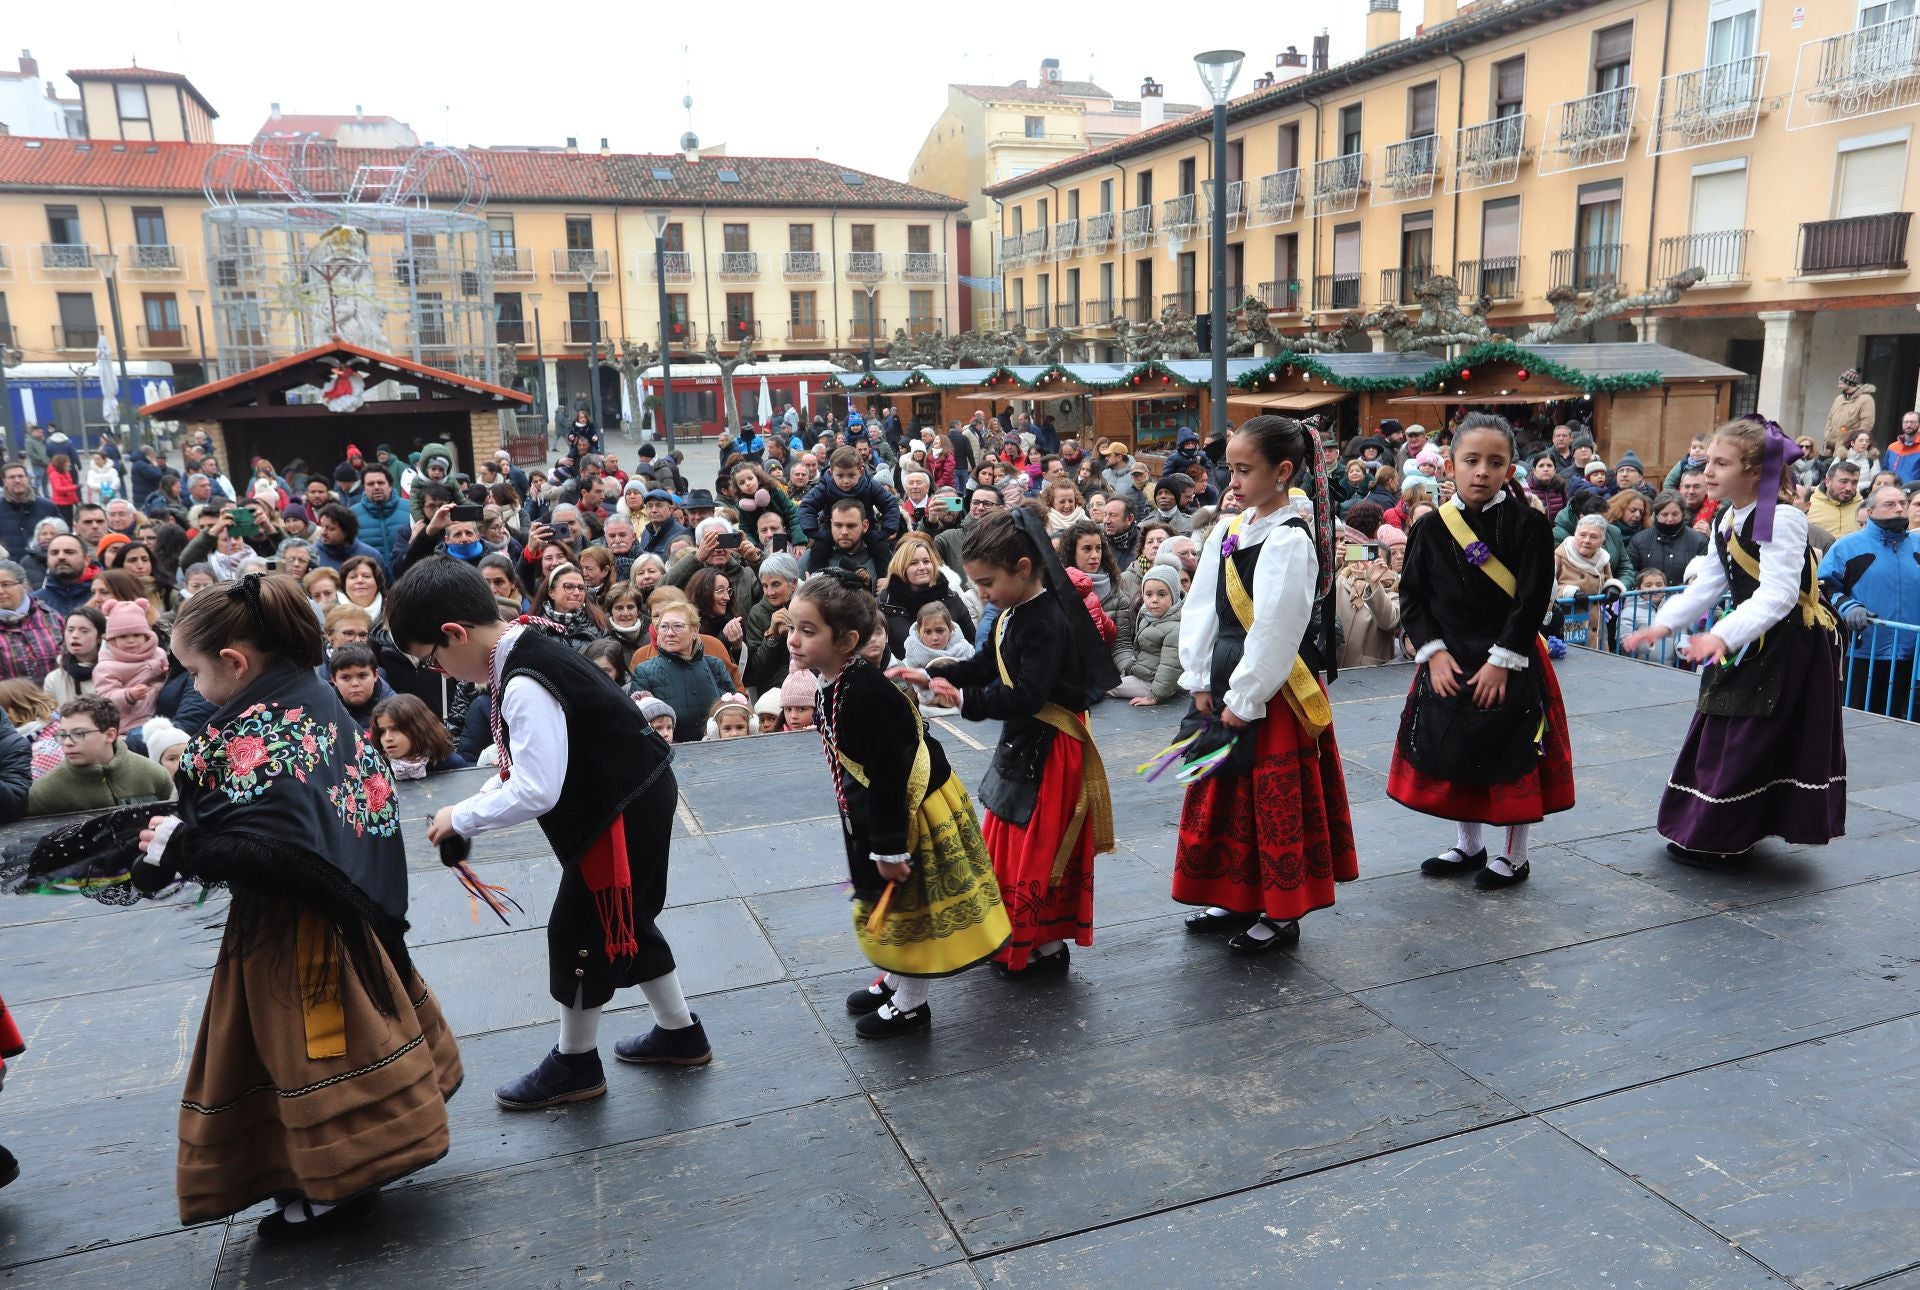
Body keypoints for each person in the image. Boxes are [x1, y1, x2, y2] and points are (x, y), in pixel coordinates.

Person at [9, 571, 465, 1236]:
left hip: (297, 926)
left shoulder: (247, 737)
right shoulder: (311, 694)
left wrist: (186, 845)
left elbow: (277, 852)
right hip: (346, 907)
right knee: (320, 1038)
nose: (192, 685)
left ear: (232, 661)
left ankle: (342, 1178)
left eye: (193, 670)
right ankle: (339, 1160)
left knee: (312, 1045)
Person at [391, 557, 710, 1110]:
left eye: (433, 662)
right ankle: (680, 1032)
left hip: (619, 808)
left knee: (578, 931)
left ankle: (576, 1064)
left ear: (454, 634)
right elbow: (524, 766)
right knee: (624, 917)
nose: (439, 674)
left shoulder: (521, 681)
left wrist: (463, 818)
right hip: (632, 794)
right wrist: (467, 806)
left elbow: (537, 788)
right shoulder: (523, 646)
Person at [892, 506, 1118, 975]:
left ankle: (1043, 943)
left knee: (1037, 846)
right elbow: (987, 664)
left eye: (987, 583)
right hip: (1029, 741)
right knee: (1014, 841)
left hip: (1053, 747)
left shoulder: (1045, 620)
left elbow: (1026, 694)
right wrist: (938, 673)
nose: (981, 593)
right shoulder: (1012, 610)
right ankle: (1028, 938)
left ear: (1022, 568)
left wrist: (964, 701)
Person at [787, 572, 1009, 1037]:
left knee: (911, 901)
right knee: (892, 900)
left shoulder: (863, 693)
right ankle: (895, 979)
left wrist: (889, 848)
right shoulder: (837, 679)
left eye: (808, 631)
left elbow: (889, 773)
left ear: (846, 640)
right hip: (886, 804)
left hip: (910, 808)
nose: (794, 640)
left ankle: (911, 1003)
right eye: (793, 627)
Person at [1169, 417, 1360, 949]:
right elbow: (1203, 603)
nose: (1232, 480)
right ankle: (1237, 893)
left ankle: (1280, 911)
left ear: (1282, 472)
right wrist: (1199, 676)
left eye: (1244, 470)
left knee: (1271, 800)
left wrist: (1247, 696)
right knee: (1228, 793)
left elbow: (1278, 627)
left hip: (1271, 690)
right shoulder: (1231, 530)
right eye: (1229, 468)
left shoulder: (1289, 539)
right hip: (1227, 674)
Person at [1623, 417, 1847, 863]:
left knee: (1754, 737)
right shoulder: (1728, 517)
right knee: (1726, 727)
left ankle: (1726, 834)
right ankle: (1717, 827)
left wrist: (1721, 635)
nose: (1707, 471)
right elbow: (1708, 584)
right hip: (1749, 638)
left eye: (1721, 463)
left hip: (1787, 647)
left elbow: (1779, 594)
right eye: (1708, 460)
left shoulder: (1781, 519)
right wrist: (1664, 623)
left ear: (1754, 471)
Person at [1389, 412, 1576, 889]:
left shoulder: (1529, 524)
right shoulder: (1430, 529)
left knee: (1514, 754)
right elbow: (1412, 596)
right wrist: (1431, 653)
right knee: (1455, 748)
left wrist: (1502, 659)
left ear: (1510, 470)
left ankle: (1516, 855)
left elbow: (1533, 598)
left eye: (1495, 462)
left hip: (1507, 659)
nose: (1481, 471)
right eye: (1471, 460)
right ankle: (1469, 844)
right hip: (1449, 658)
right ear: (1449, 465)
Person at [1819, 481, 1920, 717]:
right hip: (1863, 652)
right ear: (1871, 511)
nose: (1899, 508)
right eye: (1890, 504)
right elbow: (1823, 586)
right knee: (1856, 721)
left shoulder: (1917, 545)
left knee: (1901, 724)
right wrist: (1848, 606)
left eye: (1902, 504)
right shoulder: (1847, 546)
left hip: (1910, 655)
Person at [26, 694, 172, 813]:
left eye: (78, 733)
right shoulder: (44, 793)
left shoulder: (155, 775)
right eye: (63, 734)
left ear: (110, 735)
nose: (67, 742)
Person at [627, 602, 734, 740]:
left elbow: (733, 711)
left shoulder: (714, 666)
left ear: (695, 630)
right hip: (670, 756)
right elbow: (637, 724)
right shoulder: (645, 672)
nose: (670, 633)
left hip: (717, 753)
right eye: (664, 627)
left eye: (677, 626)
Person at [1108, 564, 1184, 705]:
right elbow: (1139, 653)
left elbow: (1170, 667)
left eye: (1162, 594)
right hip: (1144, 675)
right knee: (1108, 681)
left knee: (1105, 687)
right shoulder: (1147, 617)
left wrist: (1154, 696)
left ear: (1174, 595)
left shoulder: (1175, 628)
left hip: (1154, 684)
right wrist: (1127, 670)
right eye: (1149, 594)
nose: (1154, 599)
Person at [92, 598, 169, 731]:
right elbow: (105, 699)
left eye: (136, 635)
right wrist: (128, 695)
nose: (131, 640)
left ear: (146, 635)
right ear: (112, 639)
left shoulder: (159, 654)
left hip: (162, 718)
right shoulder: (106, 667)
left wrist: (168, 675)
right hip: (128, 725)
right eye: (123, 637)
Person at [0, 559, 66, 685]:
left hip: (54, 700)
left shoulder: (50, 617)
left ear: (24, 586)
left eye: (6, 584)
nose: (0, 591)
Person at [901, 601, 976, 710]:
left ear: (950, 629)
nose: (934, 637)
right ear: (918, 632)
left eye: (940, 631)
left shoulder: (967, 655)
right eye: (928, 632)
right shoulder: (909, 665)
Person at [373, 693, 469, 777]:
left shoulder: (450, 764)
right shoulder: (377, 768)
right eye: (382, 732)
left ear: (418, 728)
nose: (387, 738)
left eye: (396, 730)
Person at [1629, 490, 1711, 587]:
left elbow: (1706, 572)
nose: (1670, 519)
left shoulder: (1699, 541)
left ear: (1682, 514)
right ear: (1656, 515)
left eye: (1675, 514)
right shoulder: (1639, 540)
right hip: (1649, 599)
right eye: (1664, 514)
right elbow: (1631, 570)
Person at [0, 463, 58, 557]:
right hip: (8, 567)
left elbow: (61, 535)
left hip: (41, 564)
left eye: (21, 476)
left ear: (28, 478)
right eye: (12, 477)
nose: (17, 480)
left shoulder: (48, 507)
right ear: (4, 481)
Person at [1805, 460, 1866, 538]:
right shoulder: (1808, 506)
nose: (1849, 488)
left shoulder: (1864, 507)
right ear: (1827, 482)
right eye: (1843, 481)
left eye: (1854, 483)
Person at [1823, 368, 1876, 455]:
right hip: (1831, 449)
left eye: (1841, 382)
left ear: (1849, 383)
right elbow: (1829, 420)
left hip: (1849, 450)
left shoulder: (1866, 400)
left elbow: (1866, 426)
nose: (1838, 384)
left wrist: (1851, 445)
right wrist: (1827, 439)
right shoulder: (1838, 399)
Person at [1884, 410, 1920, 485]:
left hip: (1913, 492)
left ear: (1919, 424)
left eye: (1912, 422)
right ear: (1902, 424)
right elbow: (1884, 470)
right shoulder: (1892, 447)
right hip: (1891, 489)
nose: (1909, 425)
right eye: (1906, 422)